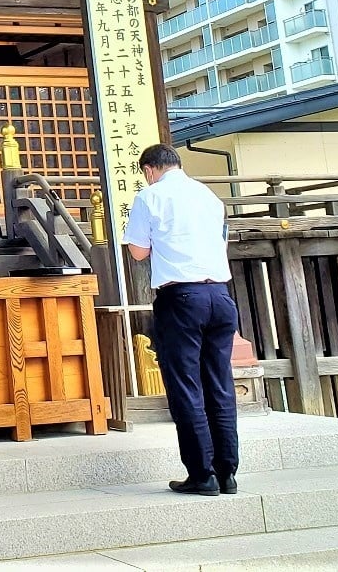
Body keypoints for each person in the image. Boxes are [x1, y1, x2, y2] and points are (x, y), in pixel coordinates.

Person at [122, 143, 239, 496]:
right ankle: (227, 472)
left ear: (149, 170)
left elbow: (138, 251)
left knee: (186, 386)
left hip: (182, 297)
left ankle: (202, 473)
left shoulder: (150, 196)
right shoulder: (208, 196)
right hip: (220, 295)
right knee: (219, 384)